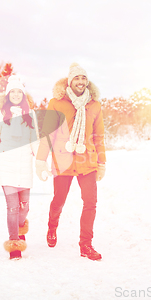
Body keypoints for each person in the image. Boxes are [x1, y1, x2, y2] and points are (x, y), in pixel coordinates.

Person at [35, 62, 106, 261]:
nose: (81, 81)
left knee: (91, 203)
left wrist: (102, 163)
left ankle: (86, 245)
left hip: (87, 160)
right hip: (63, 160)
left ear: (87, 81)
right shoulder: (57, 103)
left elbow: (99, 137)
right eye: (77, 78)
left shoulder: (95, 105)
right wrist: (40, 161)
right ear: (70, 81)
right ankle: (52, 227)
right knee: (59, 200)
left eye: (84, 78)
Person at [0, 75, 39, 260]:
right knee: (12, 208)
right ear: (8, 94)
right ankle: (15, 244)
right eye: (13, 92)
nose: (17, 95)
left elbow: (35, 141)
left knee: (24, 208)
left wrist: (43, 163)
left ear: (24, 95)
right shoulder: (0, 114)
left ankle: (19, 230)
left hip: (25, 165)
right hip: (6, 165)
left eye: (20, 91)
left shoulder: (30, 114)